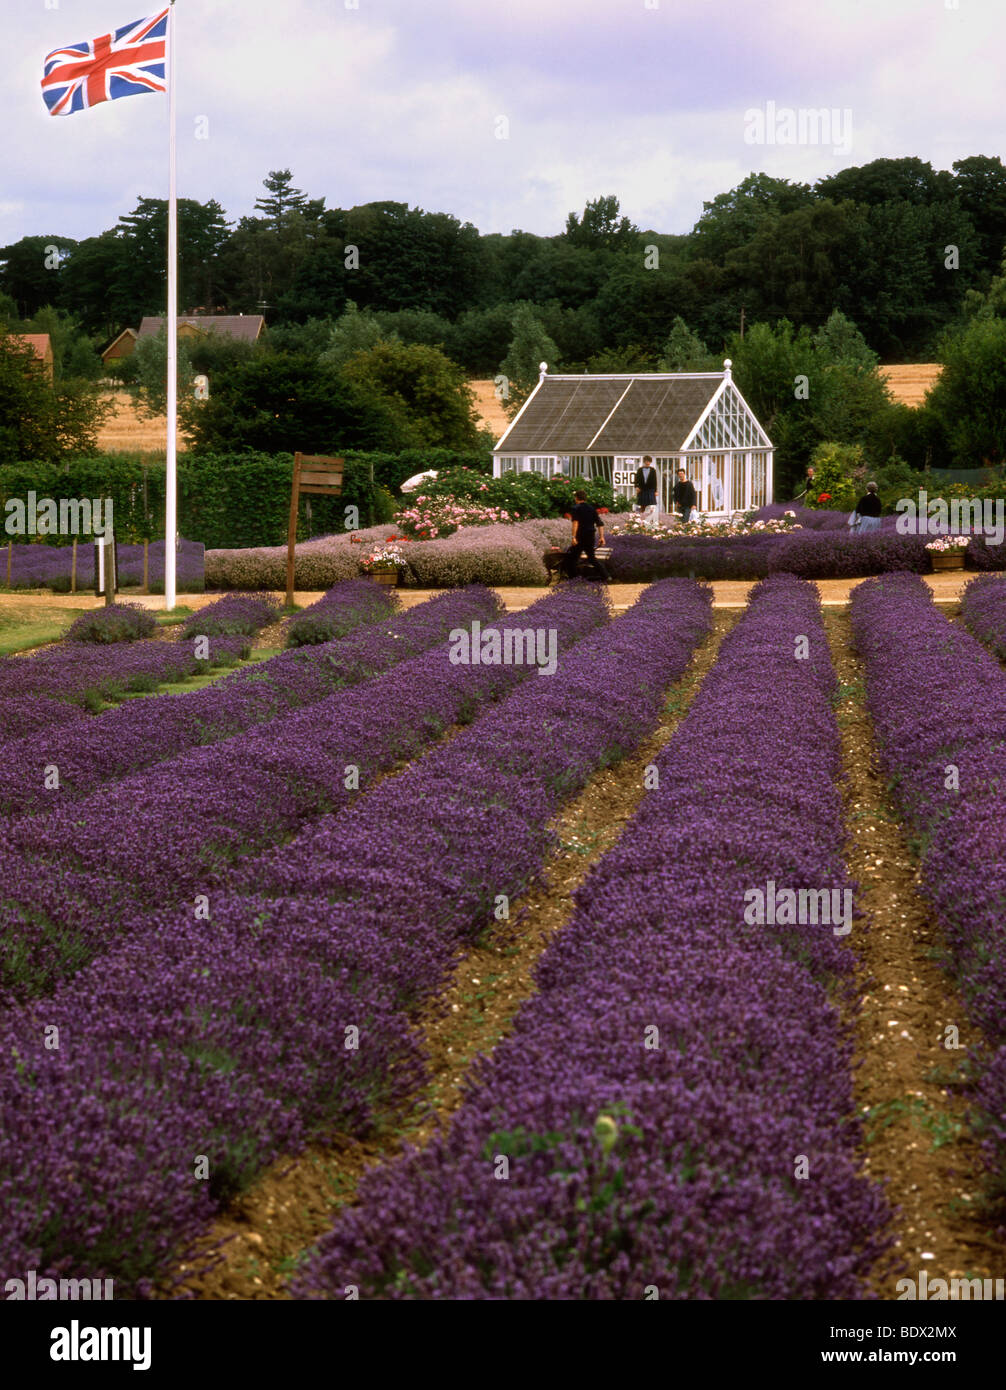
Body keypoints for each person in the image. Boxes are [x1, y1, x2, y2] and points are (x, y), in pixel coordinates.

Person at [561, 490, 609, 580]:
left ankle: (574, 579)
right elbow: (600, 524)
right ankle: (606, 576)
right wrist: (602, 537)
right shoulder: (591, 509)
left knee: (571, 559)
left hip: (580, 536)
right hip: (590, 536)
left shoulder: (576, 508)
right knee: (591, 558)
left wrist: (573, 537)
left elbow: (575, 523)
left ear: (576, 498)